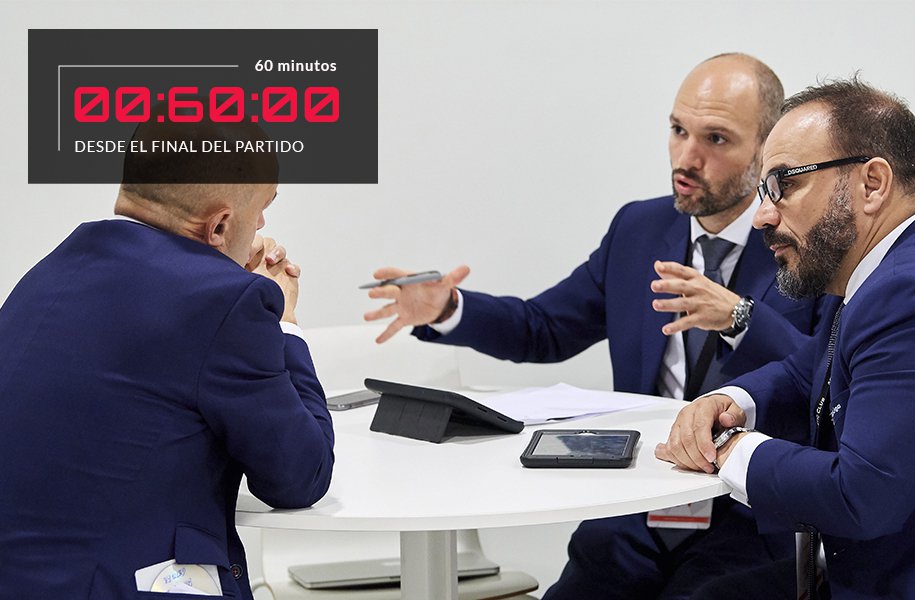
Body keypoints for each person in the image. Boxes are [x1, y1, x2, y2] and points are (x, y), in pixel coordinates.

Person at [365, 53, 825, 600]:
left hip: (747, 525)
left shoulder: (805, 244)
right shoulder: (639, 228)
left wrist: (741, 320)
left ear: (767, 150)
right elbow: (544, 327)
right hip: (631, 513)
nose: (687, 156)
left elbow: (825, 381)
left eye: (716, 139)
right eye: (678, 131)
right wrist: (448, 308)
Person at [656, 78, 915, 599]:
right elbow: (808, 369)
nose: (762, 215)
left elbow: (861, 494)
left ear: (872, 184)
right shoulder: (881, 267)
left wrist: (730, 449)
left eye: (784, 183)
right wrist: (730, 401)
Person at [0, 115, 336, 599]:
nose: (261, 224)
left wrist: (218, 274)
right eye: (262, 208)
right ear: (219, 225)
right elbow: (301, 476)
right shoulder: (226, 302)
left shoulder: (53, 269)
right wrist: (284, 321)